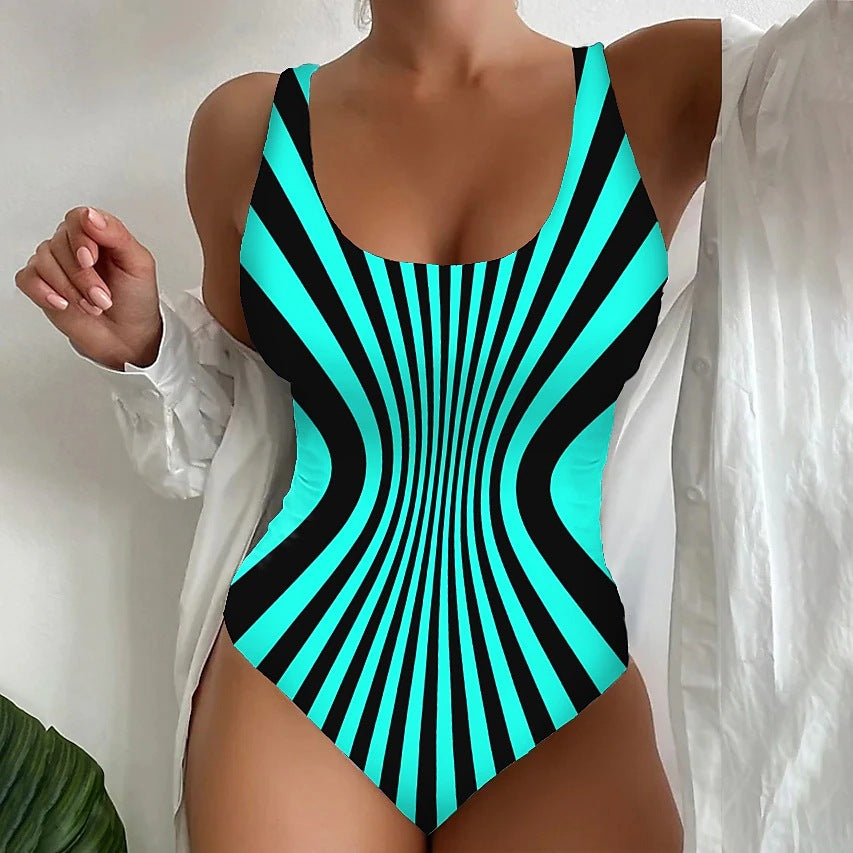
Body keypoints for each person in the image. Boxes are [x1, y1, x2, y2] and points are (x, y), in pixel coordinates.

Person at [14, 2, 723, 849]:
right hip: (297, 676)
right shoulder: (246, 131)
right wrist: (148, 348)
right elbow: (252, 424)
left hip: (558, 680)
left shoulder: (676, 82)